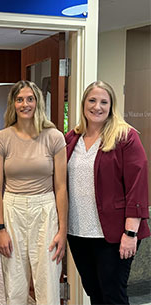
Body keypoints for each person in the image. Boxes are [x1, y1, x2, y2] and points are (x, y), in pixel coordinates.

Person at [66, 81, 150, 305]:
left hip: (113, 235)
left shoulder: (126, 137)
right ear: (83, 104)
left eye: (104, 102)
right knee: (94, 292)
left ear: (112, 106)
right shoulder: (71, 138)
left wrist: (131, 234)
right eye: (92, 100)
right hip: (79, 232)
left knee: (113, 295)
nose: (97, 107)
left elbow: (137, 187)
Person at [0, 80, 67, 305]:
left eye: (30, 99)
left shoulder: (54, 137)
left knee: (48, 280)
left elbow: (61, 187)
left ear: (38, 102)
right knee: (14, 283)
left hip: (45, 208)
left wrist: (63, 231)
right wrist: (0, 228)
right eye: (20, 99)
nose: (25, 104)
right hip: (11, 208)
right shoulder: (1, 139)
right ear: (13, 104)